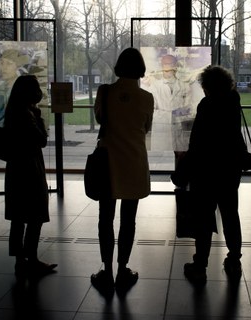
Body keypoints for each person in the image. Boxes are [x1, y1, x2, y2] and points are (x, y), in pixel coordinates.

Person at [90, 47, 154, 296]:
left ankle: (106, 270)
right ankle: (122, 268)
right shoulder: (146, 98)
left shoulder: (104, 92)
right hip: (134, 163)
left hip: (107, 163)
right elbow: (145, 127)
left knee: (105, 218)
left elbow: (100, 119)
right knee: (129, 219)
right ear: (140, 69)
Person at [175, 65, 245, 284]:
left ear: (208, 86)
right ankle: (234, 259)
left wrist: (184, 169)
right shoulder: (234, 101)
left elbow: (198, 143)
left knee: (204, 220)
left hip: (206, 173)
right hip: (230, 170)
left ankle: (200, 265)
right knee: (230, 215)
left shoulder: (207, 105)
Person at [3, 75, 57, 277]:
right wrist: (39, 116)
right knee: (35, 216)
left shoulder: (13, 112)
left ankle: (20, 261)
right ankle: (32, 259)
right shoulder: (28, 114)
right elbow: (41, 140)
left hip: (16, 170)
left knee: (18, 218)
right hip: (30, 170)